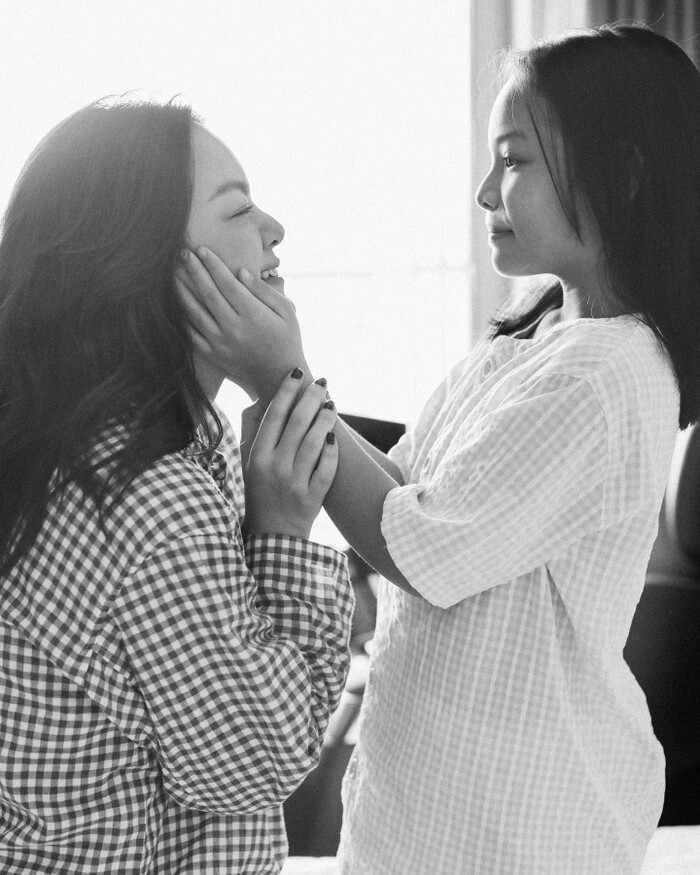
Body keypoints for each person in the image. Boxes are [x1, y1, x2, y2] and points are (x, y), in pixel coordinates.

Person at [177, 23, 700, 875]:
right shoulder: (528, 340)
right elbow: (409, 487)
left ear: (624, 174)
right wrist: (281, 385)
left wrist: (280, 377)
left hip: (521, 829)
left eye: (515, 160)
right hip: (431, 810)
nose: (486, 190)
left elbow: (424, 546)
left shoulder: (612, 371)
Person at [0, 99, 355, 874]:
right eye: (238, 209)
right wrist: (282, 536)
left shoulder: (97, 447)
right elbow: (254, 764)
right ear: (150, 264)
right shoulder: (151, 496)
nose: (274, 228)